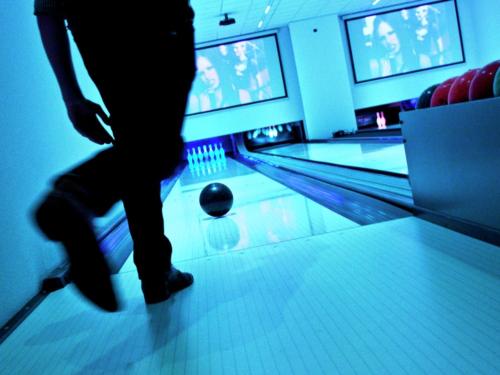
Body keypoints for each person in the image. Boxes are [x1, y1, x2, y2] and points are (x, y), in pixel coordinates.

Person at [32, 0, 196, 311]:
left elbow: (46, 10)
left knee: (138, 146)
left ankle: (155, 273)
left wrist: (71, 96)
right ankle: (79, 192)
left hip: (93, 28)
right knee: (160, 150)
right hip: (161, 16)